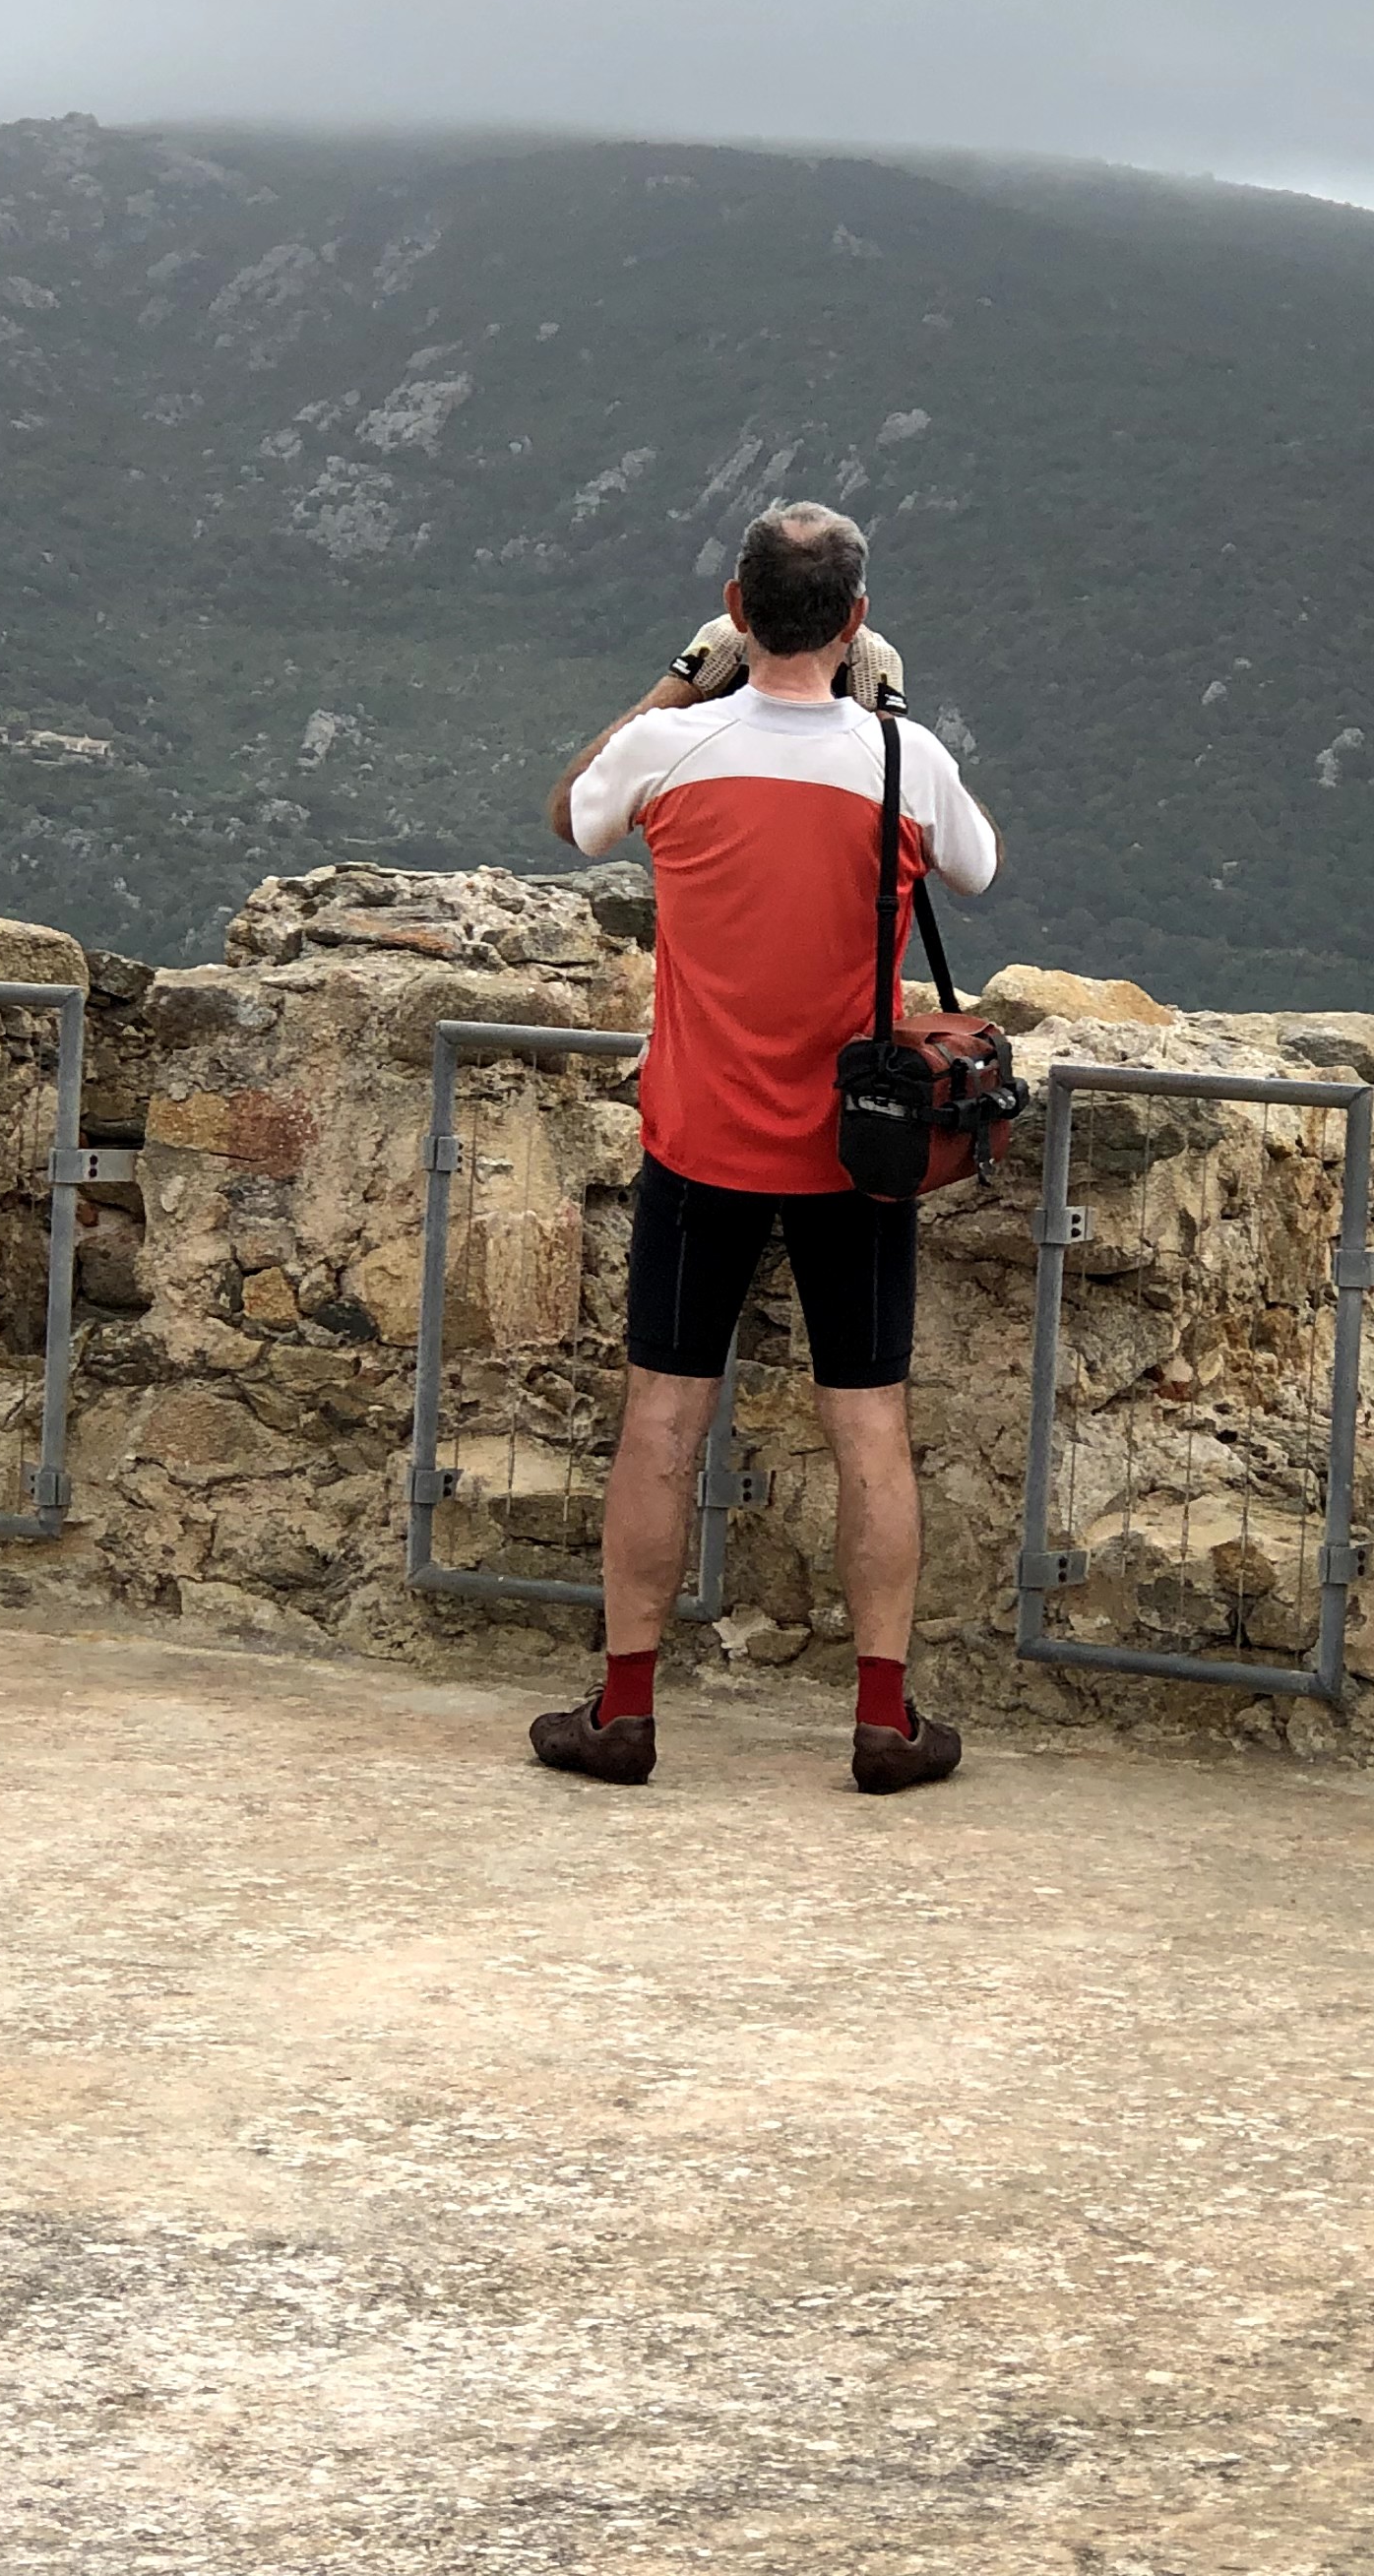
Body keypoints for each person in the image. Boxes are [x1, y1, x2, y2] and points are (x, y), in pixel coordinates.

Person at [534, 501, 999, 1792]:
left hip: (698, 1140)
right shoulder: (904, 759)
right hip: (861, 1150)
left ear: (737, 611)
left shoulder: (670, 745)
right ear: (856, 621)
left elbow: (572, 813)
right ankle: (884, 1719)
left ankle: (626, 1710)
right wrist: (886, 713)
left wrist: (682, 678)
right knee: (870, 1428)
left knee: (662, 1418)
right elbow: (976, 868)